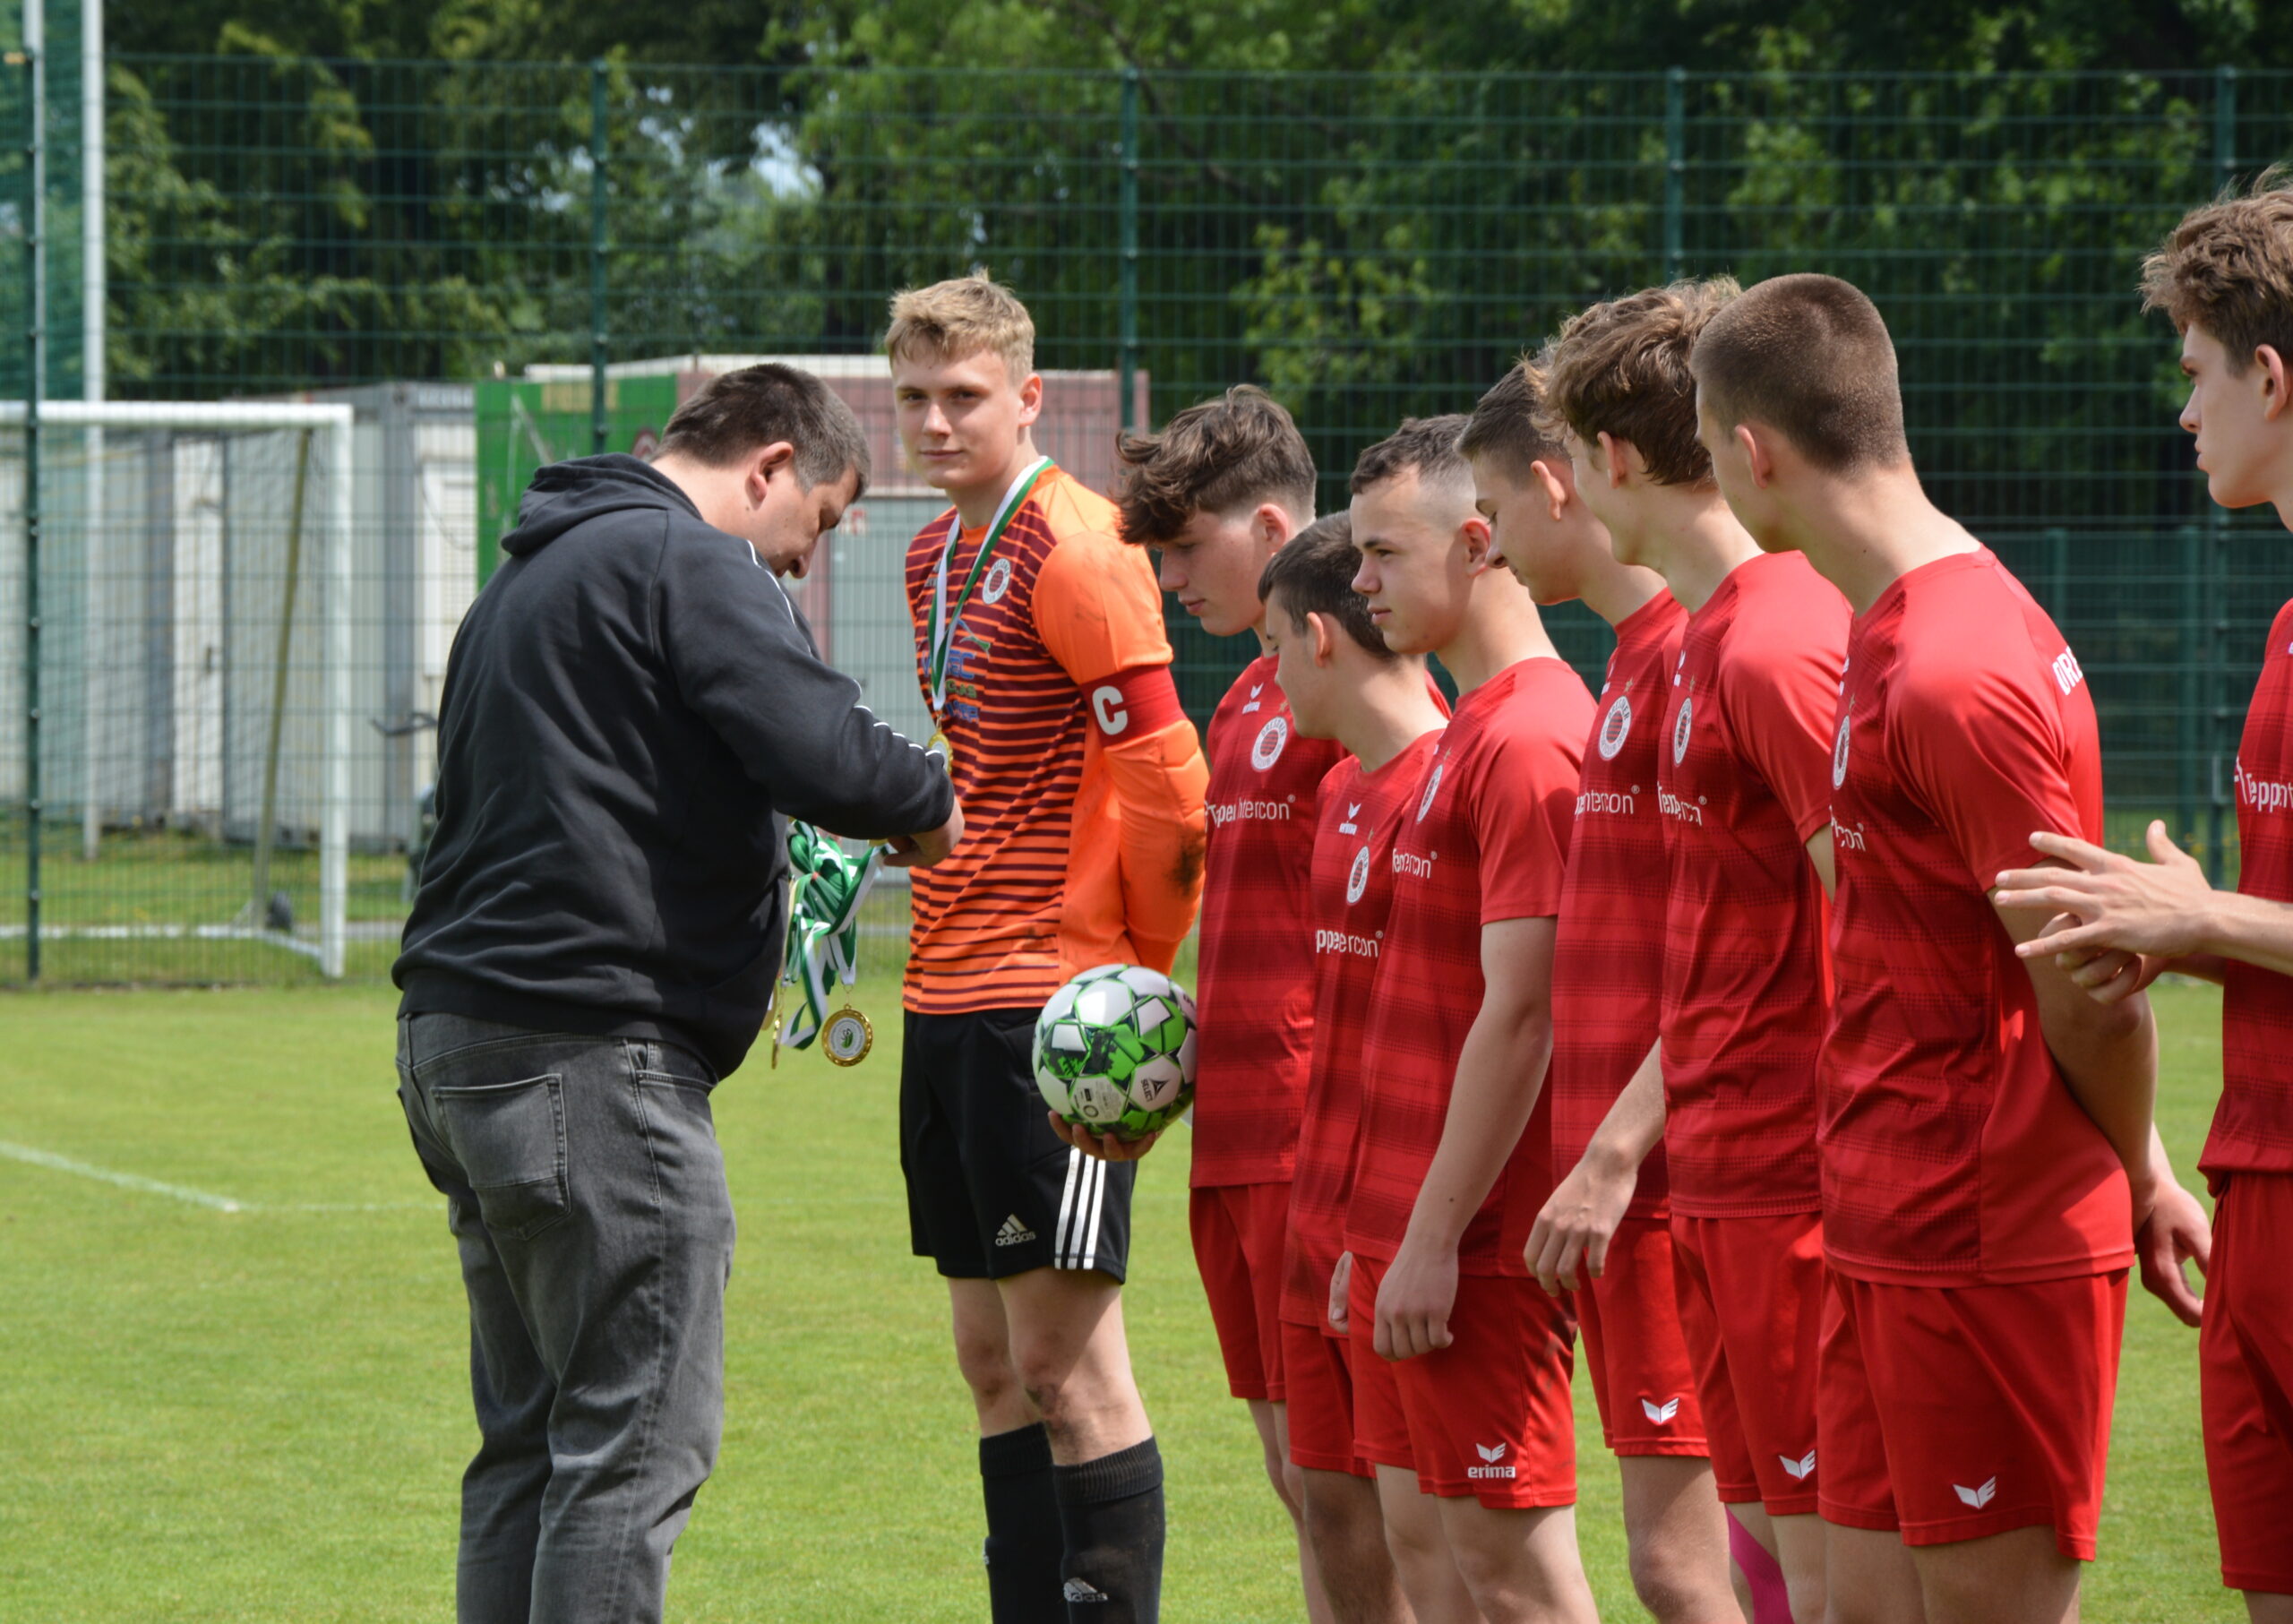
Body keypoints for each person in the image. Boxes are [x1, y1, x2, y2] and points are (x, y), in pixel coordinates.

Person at [392, 364, 963, 1624]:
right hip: (590, 1055)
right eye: (817, 523)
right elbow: (823, 746)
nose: (803, 561)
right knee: (634, 1443)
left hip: (457, 1037)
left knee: (530, 1446)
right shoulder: (688, 559)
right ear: (769, 465)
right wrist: (930, 801)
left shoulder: (523, 579)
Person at [1697, 271, 2215, 1624]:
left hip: (1986, 1236)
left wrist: (2135, 1168)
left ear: (1751, 450)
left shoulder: (1953, 668)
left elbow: (2088, 988)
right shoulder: (1886, 628)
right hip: (1887, 1223)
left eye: (1708, 451)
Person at [887, 271, 1209, 1624]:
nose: (936, 421)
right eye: (914, 396)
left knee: (1069, 1373)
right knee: (990, 1365)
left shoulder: (1079, 547)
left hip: (1051, 1008)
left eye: (964, 396)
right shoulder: (928, 557)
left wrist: (1130, 977)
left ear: (1027, 397)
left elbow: (1171, 786)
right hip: (940, 993)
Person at [1996, 180, 2293, 1622]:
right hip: (2255, 1186)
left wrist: (2207, 922)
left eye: (2196, 373)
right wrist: (2187, 910)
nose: (2184, 413)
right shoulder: (2286, 622)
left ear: (2271, 377)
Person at [1543, 279, 1848, 1624]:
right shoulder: (1705, 637)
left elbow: (1870, 916)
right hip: (1726, 1177)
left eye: (1568, 459)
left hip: (1794, 1179)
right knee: (1764, 1559)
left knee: (1824, 1574)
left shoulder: (1776, 639)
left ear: (1610, 459)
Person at [1469, 357, 1742, 1624]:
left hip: (1684, 1177)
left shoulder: (1699, 650)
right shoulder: (1637, 659)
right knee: (1692, 1562)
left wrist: (1620, 1148)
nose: (1490, 541)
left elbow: (1746, 947)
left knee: (1698, 1567)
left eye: (1493, 509)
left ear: (1560, 481)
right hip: (1633, 1183)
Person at [1341, 416, 1601, 1624]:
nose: (1360, 582)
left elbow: (1525, 1013)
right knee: (1433, 1559)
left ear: (1479, 543)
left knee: (1514, 1579)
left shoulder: (1534, 737)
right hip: (1410, 1229)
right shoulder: (1469, 729)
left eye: (1384, 552)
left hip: (1481, 1244)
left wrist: (1434, 1236)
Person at [1106, 384, 1344, 1619]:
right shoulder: (1248, 694)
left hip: (1316, 1139)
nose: (1168, 581)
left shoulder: (1356, 683)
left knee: (1356, 1489)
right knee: (1298, 1480)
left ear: (1267, 527)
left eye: (1186, 549)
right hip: (1232, 1138)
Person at [1258, 511, 1447, 1624]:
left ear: (1319, 638)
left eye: (1274, 645)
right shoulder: (1338, 792)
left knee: (1441, 1544)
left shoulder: (1450, 781)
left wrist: (1405, 1229)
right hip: (1320, 1211)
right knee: (1326, 1500)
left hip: (1405, 1227)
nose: (1269, 674)